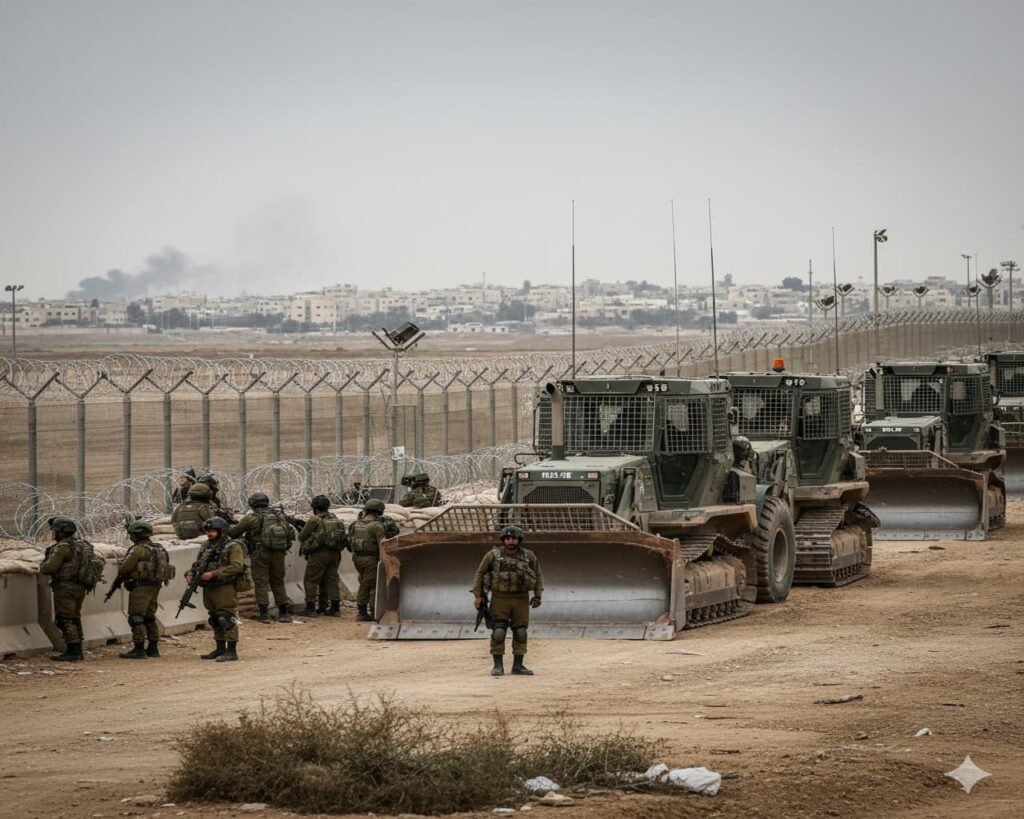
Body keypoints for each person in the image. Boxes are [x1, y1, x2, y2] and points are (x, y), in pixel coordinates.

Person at [472, 525, 544, 677]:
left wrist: (538, 595)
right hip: (500, 597)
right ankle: (498, 666)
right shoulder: (492, 555)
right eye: (508, 538)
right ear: (503, 540)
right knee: (499, 631)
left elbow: (538, 575)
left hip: (521, 598)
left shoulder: (529, 556)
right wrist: (478, 595)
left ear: (519, 540)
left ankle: (518, 665)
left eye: (514, 538)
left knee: (520, 632)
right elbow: (480, 573)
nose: (511, 541)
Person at [228, 492, 294, 623]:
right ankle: (284, 613)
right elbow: (290, 533)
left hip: (260, 552)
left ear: (252, 504)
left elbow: (233, 533)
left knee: (261, 582)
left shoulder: (252, 517)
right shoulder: (279, 516)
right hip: (279, 552)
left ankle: (264, 614)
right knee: (278, 581)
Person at [187, 517, 245, 662]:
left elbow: (236, 566)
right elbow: (198, 564)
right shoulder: (206, 546)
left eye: (213, 531)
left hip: (225, 586)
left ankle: (231, 651)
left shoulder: (233, 546)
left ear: (221, 531)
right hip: (209, 587)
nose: (209, 534)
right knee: (214, 618)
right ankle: (220, 648)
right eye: (208, 531)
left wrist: (214, 574)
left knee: (226, 618)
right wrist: (191, 574)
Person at [117, 520, 171, 659]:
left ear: (136, 535)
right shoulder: (159, 548)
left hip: (140, 586)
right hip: (155, 586)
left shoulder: (138, 549)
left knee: (136, 617)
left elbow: (124, 568)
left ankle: (139, 648)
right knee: (149, 617)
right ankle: (153, 648)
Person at [38, 516, 90, 662]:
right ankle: (77, 649)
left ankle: (73, 651)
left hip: (65, 588)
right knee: (74, 617)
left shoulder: (62, 547)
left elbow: (49, 568)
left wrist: (43, 564)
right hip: (80, 586)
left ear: (61, 532)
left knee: (65, 619)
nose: (53, 534)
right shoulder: (81, 545)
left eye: (54, 531)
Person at [297, 494, 347, 617]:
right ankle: (333, 608)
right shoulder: (336, 519)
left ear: (315, 508)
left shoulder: (315, 520)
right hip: (335, 554)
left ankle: (310, 608)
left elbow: (301, 536)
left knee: (311, 580)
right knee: (331, 580)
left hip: (319, 553)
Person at [349, 498, 386, 622]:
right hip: (371, 559)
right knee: (370, 585)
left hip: (357, 558)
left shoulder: (356, 524)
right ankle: (367, 612)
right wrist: (383, 561)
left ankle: (364, 611)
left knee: (364, 581)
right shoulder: (377, 526)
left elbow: (349, 541)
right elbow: (382, 545)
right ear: (378, 512)